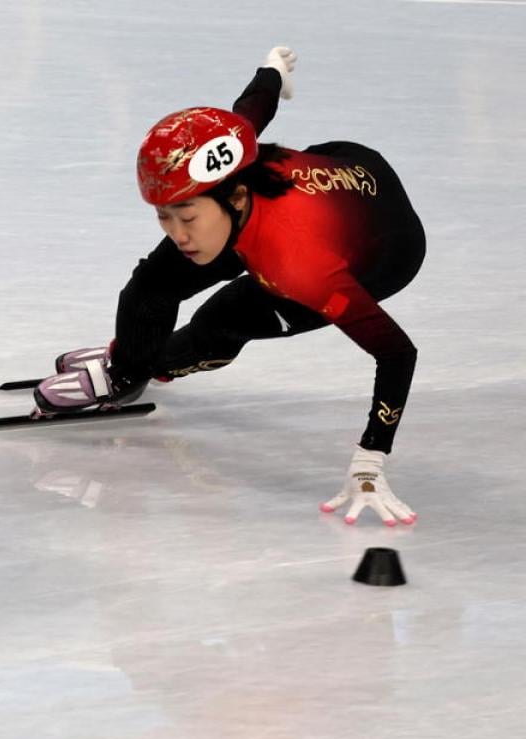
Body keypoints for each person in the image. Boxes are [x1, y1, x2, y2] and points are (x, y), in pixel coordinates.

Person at [35, 47, 425, 527]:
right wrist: (273, 71)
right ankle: (125, 369)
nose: (177, 232)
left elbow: (396, 353)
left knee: (223, 319)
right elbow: (252, 110)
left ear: (235, 198)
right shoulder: (228, 162)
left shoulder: (301, 267)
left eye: (188, 216)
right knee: (151, 284)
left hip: (382, 254)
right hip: (343, 169)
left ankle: (159, 364)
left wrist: (371, 458)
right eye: (164, 216)